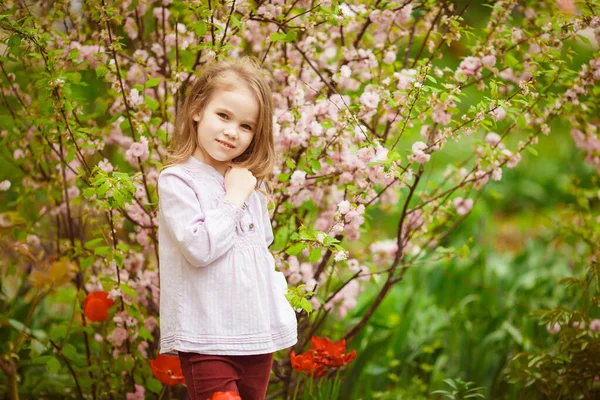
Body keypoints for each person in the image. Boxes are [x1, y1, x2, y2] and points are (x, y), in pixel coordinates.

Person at [157, 57, 298, 400]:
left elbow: (261, 254)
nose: (232, 131)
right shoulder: (178, 181)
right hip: (207, 339)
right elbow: (199, 248)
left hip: (255, 338)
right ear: (197, 110)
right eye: (223, 116)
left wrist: (278, 312)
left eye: (246, 126)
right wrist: (233, 198)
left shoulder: (247, 184)